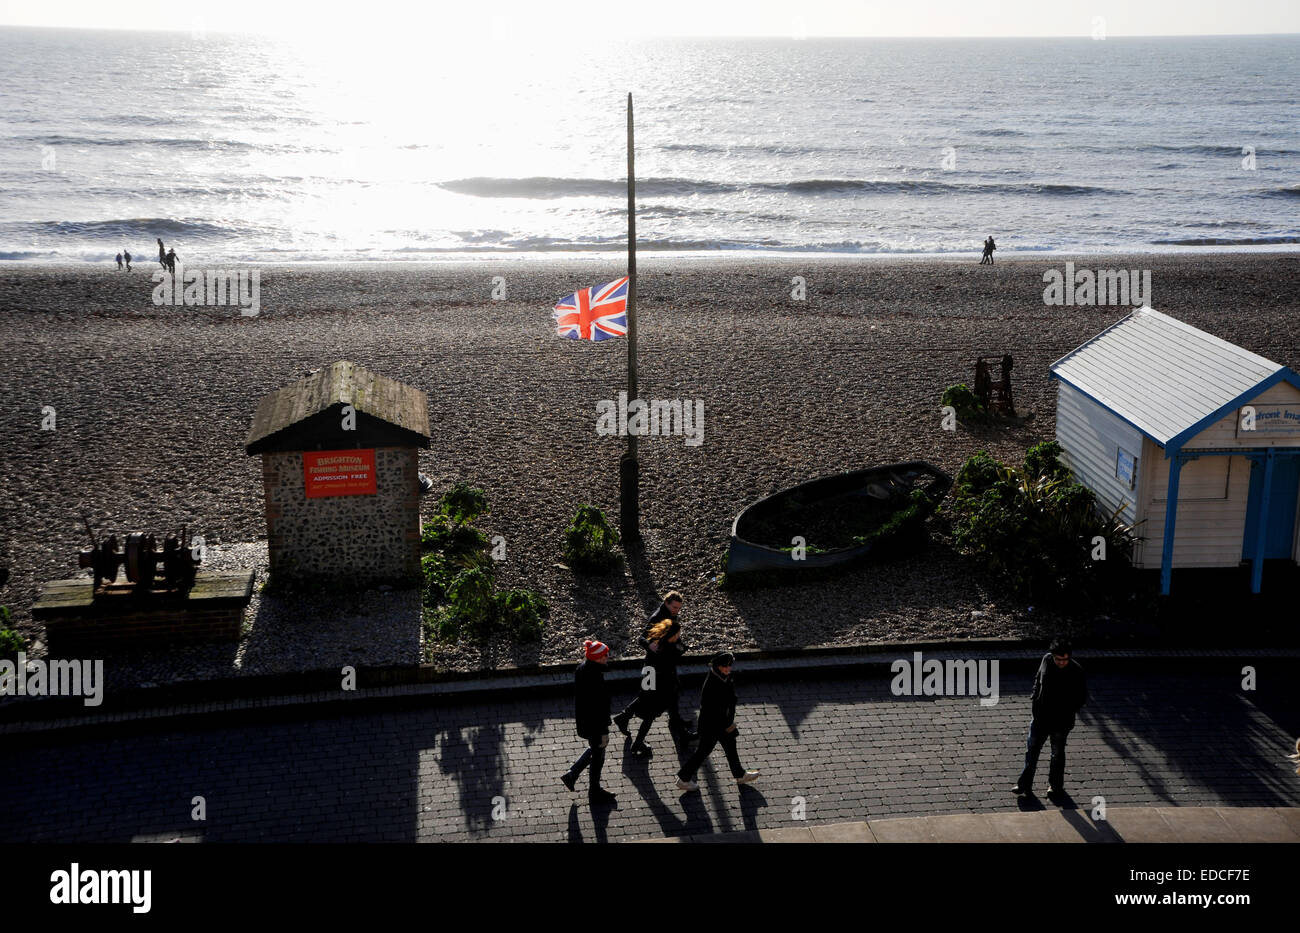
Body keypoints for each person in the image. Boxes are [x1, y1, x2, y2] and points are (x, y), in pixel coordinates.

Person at [612, 605, 697, 757]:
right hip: (662, 683)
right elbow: (678, 653)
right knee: (652, 711)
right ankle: (638, 740)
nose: (679, 636)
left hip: (649, 673)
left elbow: (643, 638)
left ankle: (625, 718)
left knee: (646, 699)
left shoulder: (658, 641)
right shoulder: (669, 648)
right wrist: (681, 648)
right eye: (677, 634)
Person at [1014, 637, 1087, 799]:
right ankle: (1024, 784)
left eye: (1065, 659)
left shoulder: (1076, 671)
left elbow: (1082, 697)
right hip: (1040, 718)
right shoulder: (1046, 660)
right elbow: (1038, 678)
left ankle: (1055, 786)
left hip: (1061, 722)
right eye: (1059, 659)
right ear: (1053, 655)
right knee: (1031, 752)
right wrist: (1035, 695)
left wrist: (1067, 710)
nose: (1062, 662)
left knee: (1057, 754)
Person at [675, 652, 759, 792]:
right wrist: (728, 725)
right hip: (714, 726)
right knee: (703, 751)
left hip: (719, 723)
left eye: (729, 666)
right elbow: (715, 710)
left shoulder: (721, 676)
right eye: (725, 666)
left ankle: (739, 774)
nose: (728, 669)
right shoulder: (714, 683)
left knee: (730, 746)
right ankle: (684, 778)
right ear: (718, 666)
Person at [561, 639, 616, 804]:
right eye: (605, 654)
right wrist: (604, 731)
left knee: (595, 748)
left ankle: (572, 775)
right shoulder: (595, 678)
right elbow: (599, 708)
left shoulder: (583, 669)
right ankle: (594, 791)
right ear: (598, 658)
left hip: (586, 721)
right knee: (598, 755)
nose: (608, 656)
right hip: (596, 725)